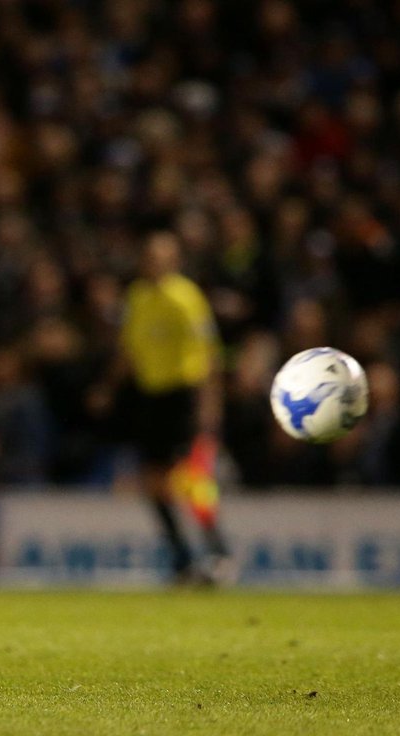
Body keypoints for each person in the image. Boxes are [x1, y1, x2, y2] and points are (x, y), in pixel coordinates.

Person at [114, 231, 230, 585]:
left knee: (191, 476)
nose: (154, 263)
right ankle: (182, 560)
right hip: (151, 397)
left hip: (184, 394)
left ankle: (218, 552)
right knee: (153, 482)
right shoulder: (137, 297)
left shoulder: (186, 297)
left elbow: (209, 352)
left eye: (161, 256)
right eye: (150, 255)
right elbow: (130, 349)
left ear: (174, 260)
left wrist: (210, 404)